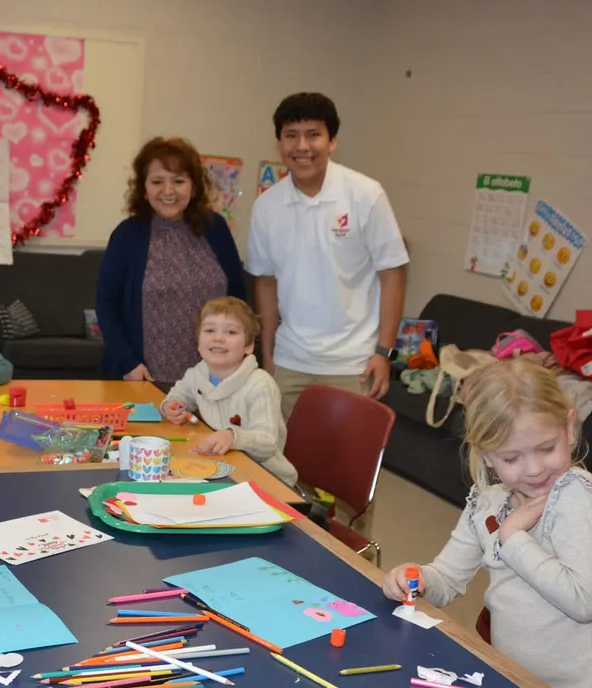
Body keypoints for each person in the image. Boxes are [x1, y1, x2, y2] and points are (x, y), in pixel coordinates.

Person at [381, 361, 592, 688]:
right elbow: (447, 579)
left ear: (570, 429)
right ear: (485, 454)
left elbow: (584, 603)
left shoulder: (578, 497)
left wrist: (513, 539)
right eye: (511, 458)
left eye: (547, 448)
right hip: (516, 682)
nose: (534, 469)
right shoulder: (488, 502)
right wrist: (415, 579)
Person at [248, 93, 410, 421]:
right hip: (290, 361)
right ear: (279, 144)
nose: (302, 146)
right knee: (281, 452)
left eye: (313, 134)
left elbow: (392, 274)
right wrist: (268, 356)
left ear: (332, 141)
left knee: (345, 454)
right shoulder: (266, 206)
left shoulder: (365, 194)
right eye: (291, 135)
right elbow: (265, 283)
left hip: (354, 364)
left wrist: (385, 352)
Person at [96, 136, 247, 384]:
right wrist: (127, 362)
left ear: (193, 187)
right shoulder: (127, 235)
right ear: (144, 190)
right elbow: (106, 304)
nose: (168, 191)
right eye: (157, 181)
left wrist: (236, 355)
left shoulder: (215, 228)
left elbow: (238, 298)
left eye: (178, 181)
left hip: (214, 379)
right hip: (143, 379)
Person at [160, 297, 297, 486]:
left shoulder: (260, 384)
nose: (218, 338)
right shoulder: (197, 374)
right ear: (198, 342)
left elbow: (267, 442)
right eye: (209, 330)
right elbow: (178, 397)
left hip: (266, 478)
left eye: (231, 332)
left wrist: (233, 437)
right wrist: (170, 407)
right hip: (221, 466)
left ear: (248, 346)